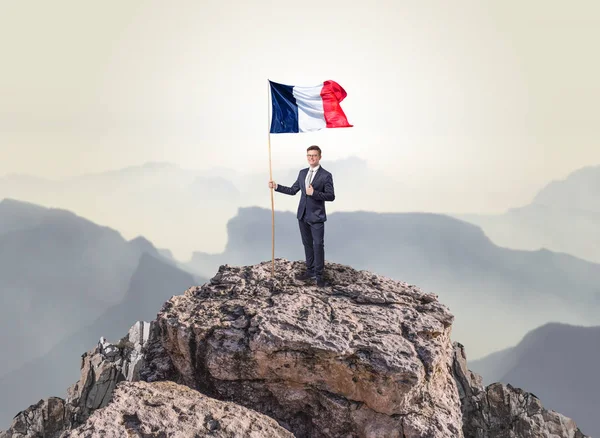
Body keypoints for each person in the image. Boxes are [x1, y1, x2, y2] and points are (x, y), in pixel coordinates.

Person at [268, 145, 335, 287]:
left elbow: (331, 196)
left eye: (314, 155)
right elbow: (293, 190)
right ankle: (310, 272)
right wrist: (277, 186)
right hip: (302, 215)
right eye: (309, 155)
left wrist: (314, 193)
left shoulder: (326, 175)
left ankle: (319, 276)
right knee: (307, 244)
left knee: (318, 245)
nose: (311, 158)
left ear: (320, 157)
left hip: (317, 217)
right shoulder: (302, 173)